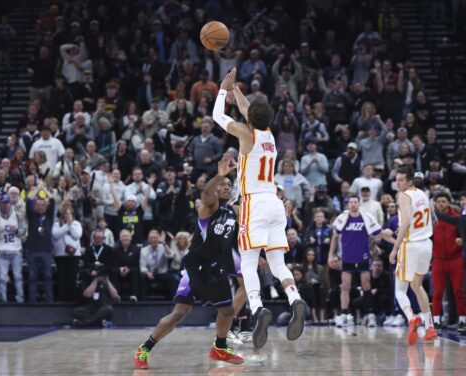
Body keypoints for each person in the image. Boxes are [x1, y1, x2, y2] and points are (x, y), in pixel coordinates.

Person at [212, 68, 306, 349]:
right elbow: (249, 112)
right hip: (276, 204)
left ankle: (256, 307)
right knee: (278, 263)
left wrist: (221, 90)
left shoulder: (246, 133)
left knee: (250, 263)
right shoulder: (269, 136)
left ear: (250, 119)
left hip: (254, 203)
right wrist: (236, 91)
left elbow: (220, 117)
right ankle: (295, 298)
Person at [133, 154, 244, 369]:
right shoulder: (208, 208)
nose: (226, 187)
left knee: (228, 311)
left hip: (215, 268)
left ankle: (219, 348)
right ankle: (144, 348)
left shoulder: (234, 211)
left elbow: (249, 210)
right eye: (222, 184)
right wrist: (218, 175)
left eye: (229, 185)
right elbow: (205, 194)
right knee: (180, 313)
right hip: (195, 267)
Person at [388, 165, 438, 345]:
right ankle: (430, 327)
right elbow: (431, 218)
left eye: (401, 180)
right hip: (427, 244)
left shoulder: (403, 195)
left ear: (409, 181)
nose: (398, 183)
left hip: (411, 246)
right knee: (417, 285)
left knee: (400, 289)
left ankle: (411, 317)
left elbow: (407, 221)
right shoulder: (422, 193)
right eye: (397, 179)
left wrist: (395, 248)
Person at [329, 194, 384, 328]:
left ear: (359, 204)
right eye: (351, 202)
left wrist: (375, 242)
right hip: (347, 257)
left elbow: (377, 234)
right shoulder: (342, 219)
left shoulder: (366, 218)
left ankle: (370, 315)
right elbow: (335, 237)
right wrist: (331, 254)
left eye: (355, 202)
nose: (353, 204)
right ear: (348, 205)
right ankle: (343, 315)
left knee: (366, 286)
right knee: (345, 286)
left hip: (363, 256)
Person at [431, 192, 466, 334]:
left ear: (449, 203)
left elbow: (465, 237)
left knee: (459, 291)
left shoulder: (457, 219)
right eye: (438, 201)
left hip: (456, 259)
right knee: (437, 292)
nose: (441, 204)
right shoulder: (431, 220)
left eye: (444, 201)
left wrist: (462, 242)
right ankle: (436, 321)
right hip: (438, 259)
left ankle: (463, 321)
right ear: (435, 203)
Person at [0, 195, 26, 303]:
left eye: (7, 203)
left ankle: (20, 299)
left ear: (10, 203)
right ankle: (3, 300)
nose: (5, 205)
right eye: (3, 203)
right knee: (2, 278)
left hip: (16, 250)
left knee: (18, 277)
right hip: (2, 250)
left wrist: (16, 231)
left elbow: (23, 232)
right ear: (0, 204)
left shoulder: (18, 216)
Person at [25, 186, 56, 303]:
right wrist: (37, 189)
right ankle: (32, 302)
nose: (40, 206)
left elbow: (52, 200)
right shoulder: (31, 215)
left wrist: (45, 189)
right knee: (32, 277)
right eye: (38, 205)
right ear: (35, 206)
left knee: (48, 277)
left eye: (43, 205)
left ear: (46, 207)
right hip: (32, 250)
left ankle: (50, 302)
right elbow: (28, 200)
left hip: (46, 251)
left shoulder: (49, 216)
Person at [72, 263, 119, 327]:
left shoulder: (107, 282)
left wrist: (107, 280)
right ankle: (99, 323)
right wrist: (95, 279)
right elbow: (87, 294)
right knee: (76, 311)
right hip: (89, 307)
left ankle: (83, 323)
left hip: (102, 307)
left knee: (109, 309)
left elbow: (115, 295)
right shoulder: (86, 280)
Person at [52, 206, 82, 301]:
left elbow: (76, 235)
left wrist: (71, 225)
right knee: (61, 279)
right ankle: (61, 300)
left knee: (72, 278)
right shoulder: (57, 224)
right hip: (60, 255)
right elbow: (56, 235)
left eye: (69, 213)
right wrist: (67, 226)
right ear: (62, 215)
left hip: (74, 255)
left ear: (72, 215)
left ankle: (72, 300)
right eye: (66, 213)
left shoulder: (76, 224)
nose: (67, 215)